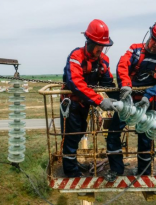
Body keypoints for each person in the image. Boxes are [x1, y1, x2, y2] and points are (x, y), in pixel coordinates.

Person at [105, 17, 156, 181]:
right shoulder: (135, 50)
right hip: (127, 103)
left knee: (146, 138)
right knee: (114, 133)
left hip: (147, 104)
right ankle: (116, 169)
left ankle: (144, 172)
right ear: (150, 34)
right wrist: (126, 85)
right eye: (155, 40)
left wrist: (148, 96)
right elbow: (123, 65)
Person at [61, 19, 117, 177]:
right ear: (89, 42)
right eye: (99, 45)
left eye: (104, 46)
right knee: (71, 137)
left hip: (86, 103)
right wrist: (100, 101)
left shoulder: (103, 61)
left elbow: (107, 83)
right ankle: (71, 171)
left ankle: (72, 163)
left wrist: (121, 98)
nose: (102, 49)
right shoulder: (76, 56)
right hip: (71, 104)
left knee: (79, 133)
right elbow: (76, 84)